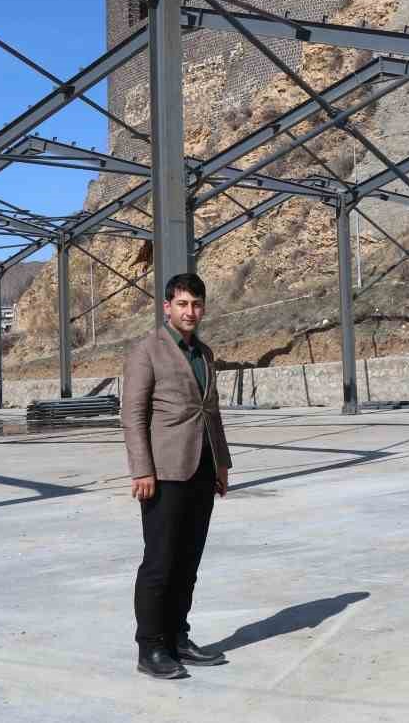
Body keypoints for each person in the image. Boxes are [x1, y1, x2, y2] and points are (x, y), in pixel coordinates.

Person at [122, 272, 232, 680]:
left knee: (188, 561)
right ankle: (150, 646)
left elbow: (211, 412)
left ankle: (177, 637)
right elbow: (133, 416)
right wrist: (142, 469)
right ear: (167, 306)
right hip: (164, 472)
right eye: (183, 304)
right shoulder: (146, 351)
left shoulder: (204, 353)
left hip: (201, 468)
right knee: (160, 561)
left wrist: (222, 465)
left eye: (197, 304)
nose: (190, 311)